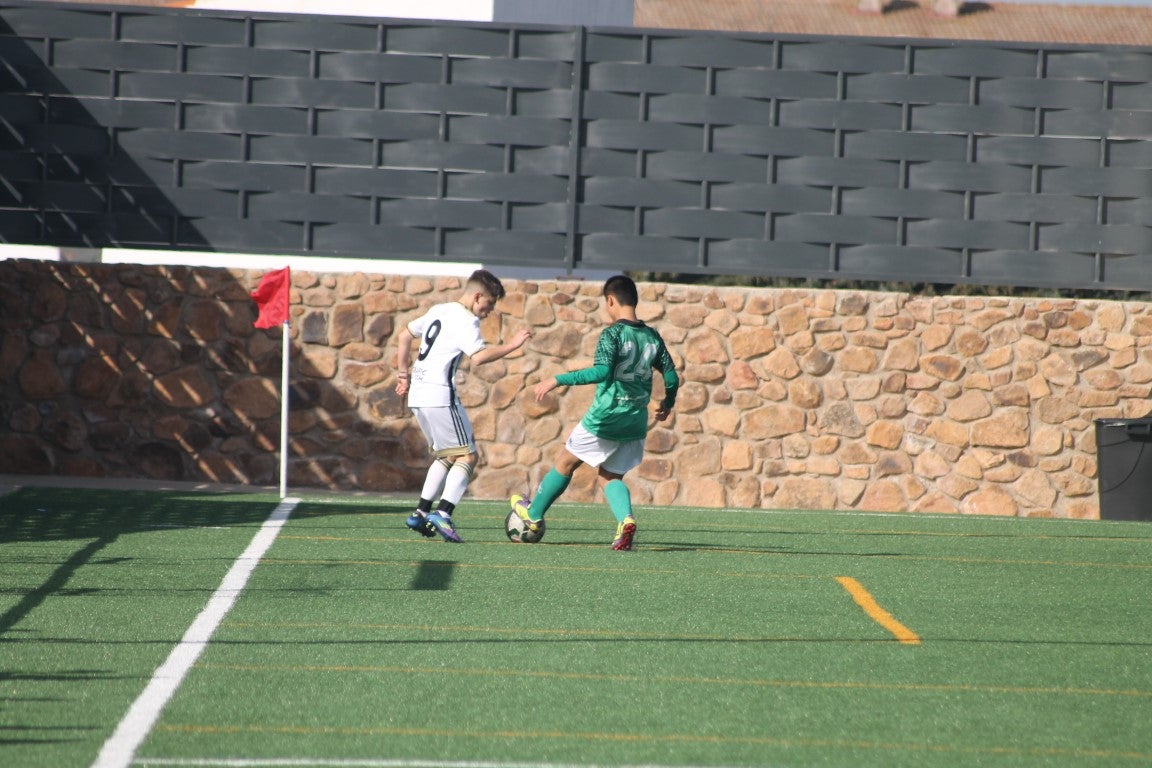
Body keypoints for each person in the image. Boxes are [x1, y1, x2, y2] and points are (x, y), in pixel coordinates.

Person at [511, 275, 678, 550]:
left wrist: (557, 379)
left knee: (565, 463)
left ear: (610, 301)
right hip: (635, 421)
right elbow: (671, 377)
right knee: (609, 477)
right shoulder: (652, 337)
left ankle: (533, 515)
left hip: (606, 417)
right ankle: (625, 520)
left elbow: (601, 372)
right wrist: (668, 402)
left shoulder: (612, 333)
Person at [395, 269, 531, 542]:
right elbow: (479, 357)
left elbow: (403, 335)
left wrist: (402, 374)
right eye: (488, 304)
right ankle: (443, 514)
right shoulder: (467, 320)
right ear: (477, 295)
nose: (488, 311)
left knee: (446, 456)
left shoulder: (439, 309)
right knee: (469, 456)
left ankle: (421, 513)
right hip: (440, 395)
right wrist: (513, 345)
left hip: (419, 395)